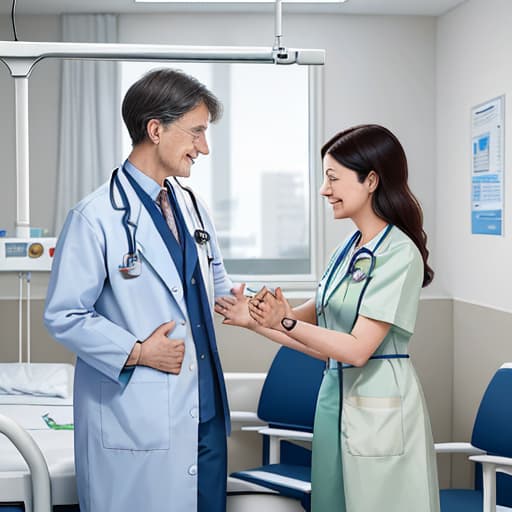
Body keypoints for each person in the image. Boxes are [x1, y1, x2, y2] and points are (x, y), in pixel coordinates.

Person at [215, 124, 440, 512]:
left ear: (371, 180)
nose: (324, 189)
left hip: (380, 407)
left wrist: (283, 321)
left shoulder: (399, 254)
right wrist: (255, 319)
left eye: (333, 178)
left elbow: (356, 350)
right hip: (336, 399)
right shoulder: (346, 250)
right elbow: (311, 336)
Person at [44, 68, 234, 512]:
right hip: (140, 412)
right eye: (197, 132)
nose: (203, 147)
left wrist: (256, 306)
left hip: (203, 412)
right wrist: (137, 351)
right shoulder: (95, 217)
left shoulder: (189, 205)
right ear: (155, 129)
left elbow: (215, 285)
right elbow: (64, 314)